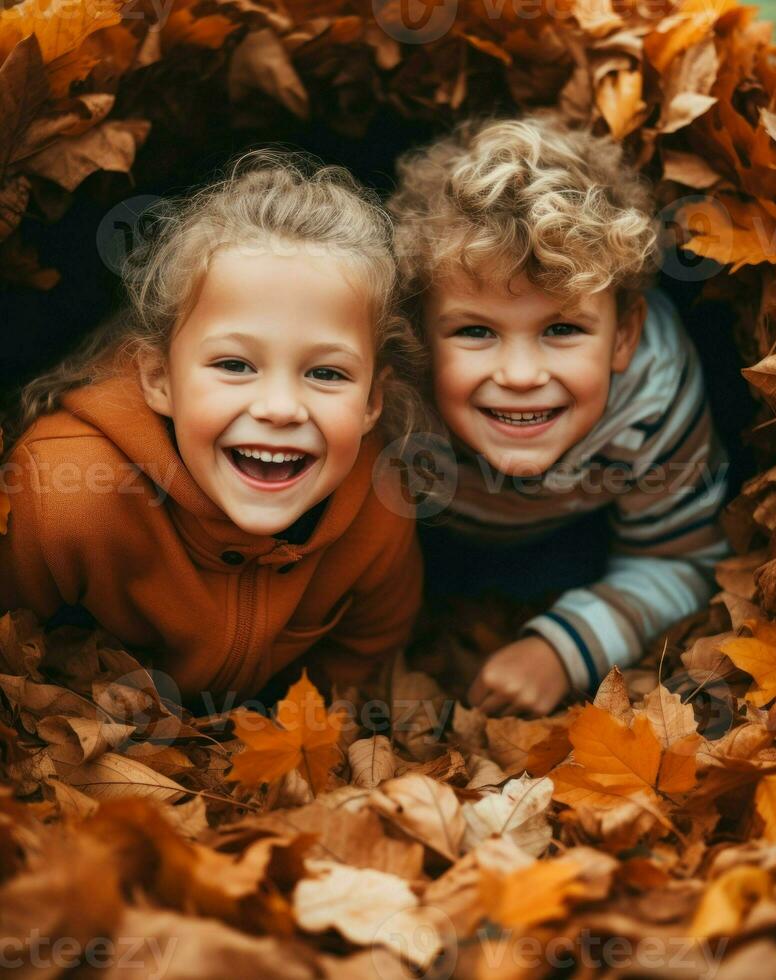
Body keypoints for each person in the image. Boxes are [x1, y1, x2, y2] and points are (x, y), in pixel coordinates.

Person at [0, 152, 425, 713]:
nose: (279, 408)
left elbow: (361, 661)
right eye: (234, 365)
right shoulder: (67, 495)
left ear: (372, 401)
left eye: (325, 373)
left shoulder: (378, 507)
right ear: (159, 379)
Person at [388, 112, 731, 718]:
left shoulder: (650, 400)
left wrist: (563, 649)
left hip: (576, 535)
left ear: (624, 337)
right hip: (419, 541)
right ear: (417, 333)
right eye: (475, 330)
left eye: (563, 328)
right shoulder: (388, 392)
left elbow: (681, 557)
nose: (521, 376)